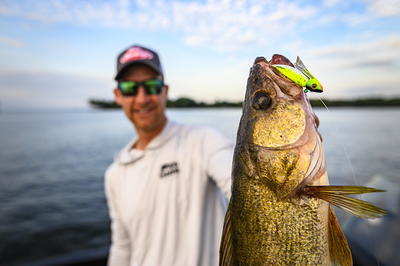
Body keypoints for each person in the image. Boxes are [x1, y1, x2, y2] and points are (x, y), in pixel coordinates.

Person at [104, 44, 233, 266]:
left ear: (165, 91)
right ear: (118, 95)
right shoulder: (114, 174)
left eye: (152, 86)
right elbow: (122, 247)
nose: (142, 98)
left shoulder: (203, 140)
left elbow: (245, 184)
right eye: (129, 88)